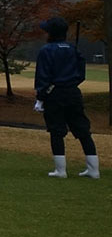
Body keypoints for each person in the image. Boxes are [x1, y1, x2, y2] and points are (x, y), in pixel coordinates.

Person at [34, 16, 100, 179]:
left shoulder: (46, 50)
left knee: (56, 130)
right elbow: (81, 74)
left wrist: (40, 97)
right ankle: (93, 170)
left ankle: (60, 170)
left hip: (54, 93)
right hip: (73, 93)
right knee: (83, 130)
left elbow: (43, 76)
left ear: (51, 33)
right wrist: (71, 83)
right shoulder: (73, 49)